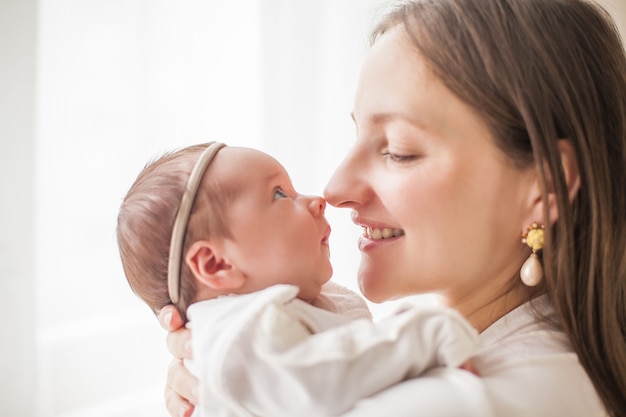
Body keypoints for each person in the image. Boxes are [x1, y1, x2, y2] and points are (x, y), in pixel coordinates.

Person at [159, 0, 626, 415]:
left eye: (398, 150)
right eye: (357, 135)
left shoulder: (480, 400)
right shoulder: (438, 362)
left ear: (545, 187)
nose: (334, 189)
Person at [117, 142, 479, 416]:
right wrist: (429, 333)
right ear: (215, 264)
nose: (319, 199)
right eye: (279, 194)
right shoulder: (243, 334)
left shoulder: (263, 321)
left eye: (401, 151)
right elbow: (325, 382)